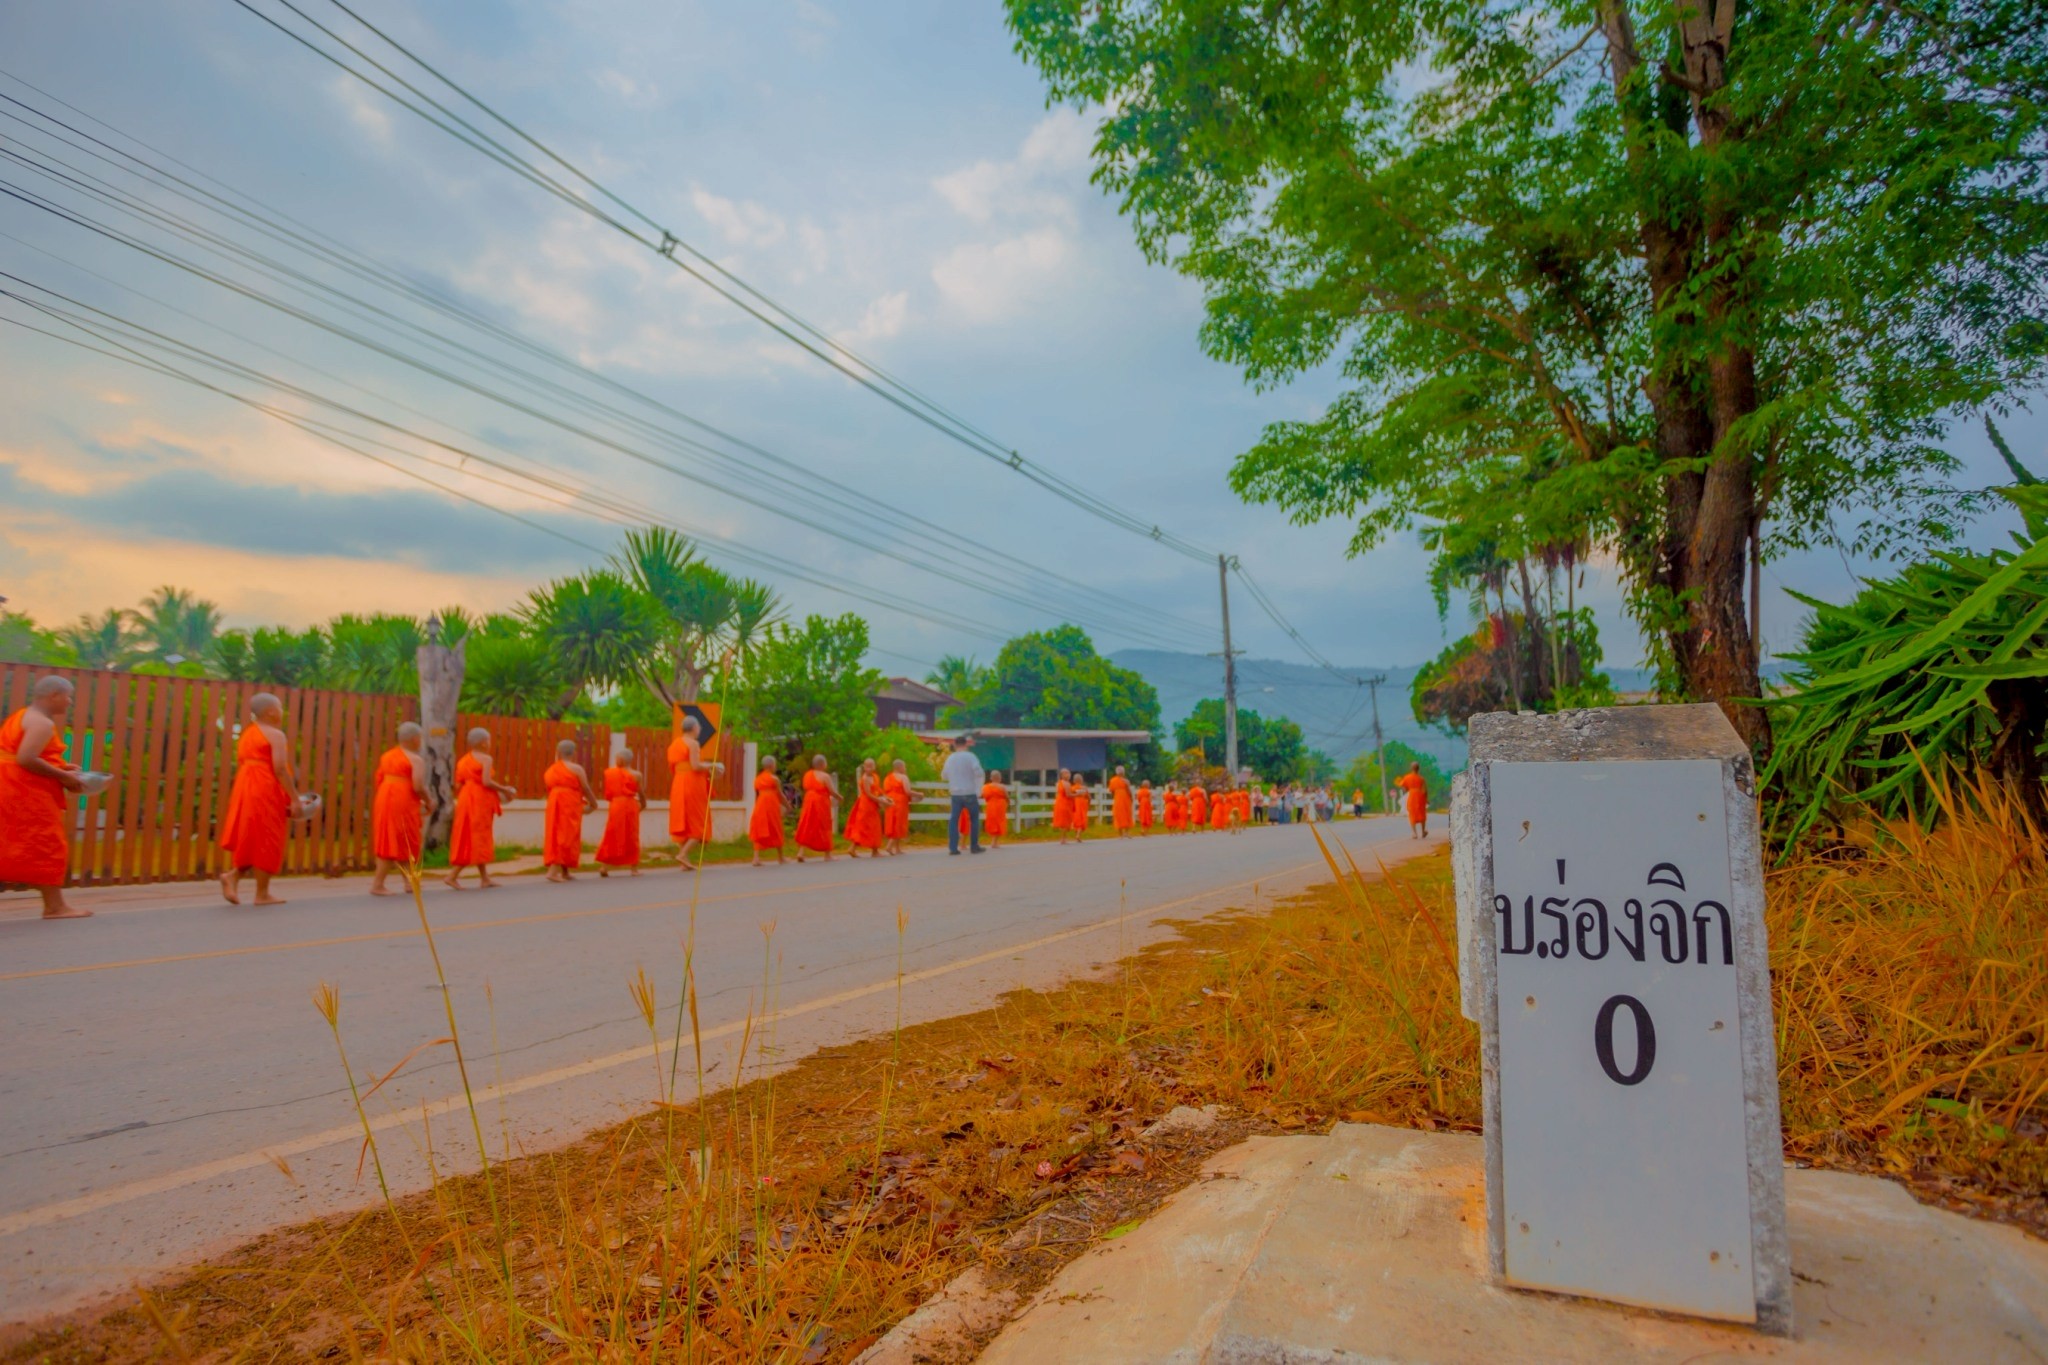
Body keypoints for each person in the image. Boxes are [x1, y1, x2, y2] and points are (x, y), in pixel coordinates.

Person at [0, 676, 90, 919]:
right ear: (53, 696)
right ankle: (55, 907)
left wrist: (61, 766)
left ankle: (55, 905)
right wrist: (62, 775)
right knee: (46, 845)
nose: (69, 702)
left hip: (11, 787)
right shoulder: (41, 723)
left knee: (11, 842)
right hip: (25, 795)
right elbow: (26, 758)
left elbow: (22, 755)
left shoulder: (22, 715)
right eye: (68, 696)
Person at [219, 692, 310, 906]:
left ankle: (233, 877)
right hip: (265, 787)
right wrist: (295, 798)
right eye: (280, 708)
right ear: (270, 711)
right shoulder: (275, 734)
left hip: (246, 786)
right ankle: (261, 893)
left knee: (252, 835)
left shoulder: (248, 734)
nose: (282, 712)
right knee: (268, 837)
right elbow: (279, 768)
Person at [445, 727, 515, 890]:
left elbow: (457, 784)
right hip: (479, 799)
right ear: (484, 743)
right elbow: (486, 782)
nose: (490, 744)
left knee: (470, 834)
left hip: (465, 798)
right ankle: (452, 876)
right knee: (477, 836)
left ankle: (485, 878)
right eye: (489, 740)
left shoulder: (463, 760)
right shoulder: (485, 759)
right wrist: (504, 789)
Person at [369, 722, 427, 896]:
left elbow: (379, 778)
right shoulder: (415, 759)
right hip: (401, 802)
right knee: (400, 839)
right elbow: (418, 786)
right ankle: (378, 885)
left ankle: (409, 882)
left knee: (399, 839)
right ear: (415, 739)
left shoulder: (387, 756)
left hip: (385, 798)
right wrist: (429, 800)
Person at [667, 715, 720, 870]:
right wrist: (711, 765)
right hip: (692, 783)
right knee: (698, 822)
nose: (700, 730)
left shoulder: (674, 745)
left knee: (683, 819)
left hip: (678, 782)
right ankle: (683, 854)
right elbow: (695, 766)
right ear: (694, 728)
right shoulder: (693, 744)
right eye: (699, 727)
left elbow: (674, 767)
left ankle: (684, 861)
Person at [541, 740, 596, 881]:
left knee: (557, 833)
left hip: (554, 801)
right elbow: (586, 788)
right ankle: (553, 872)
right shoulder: (576, 769)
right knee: (566, 835)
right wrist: (594, 803)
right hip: (569, 802)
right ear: (574, 753)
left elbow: (548, 787)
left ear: (557, 753)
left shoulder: (551, 769)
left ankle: (565, 871)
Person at [595, 752, 646, 876]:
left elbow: (608, 792)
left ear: (622, 759)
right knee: (631, 835)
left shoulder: (611, 773)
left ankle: (604, 867)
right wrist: (643, 804)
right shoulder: (636, 774)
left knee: (612, 834)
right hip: (630, 805)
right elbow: (641, 793)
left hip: (616, 805)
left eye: (617, 758)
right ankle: (633, 869)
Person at [941, 734, 984, 855]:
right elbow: (978, 772)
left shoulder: (950, 758)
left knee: (954, 819)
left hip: (955, 793)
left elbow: (944, 775)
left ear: (955, 745)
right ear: (966, 744)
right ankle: (974, 846)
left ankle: (953, 848)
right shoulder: (971, 756)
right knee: (974, 819)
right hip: (969, 792)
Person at [794, 755, 837, 862]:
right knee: (824, 825)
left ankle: (801, 852)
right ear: (823, 765)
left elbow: (805, 787)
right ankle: (827, 854)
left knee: (807, 824)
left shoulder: (807, 775)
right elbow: (831, 791)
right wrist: (839, 797)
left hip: (809, 800)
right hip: (821, 801)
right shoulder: (825, 776)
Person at [749, 755, 786, 867]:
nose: (775, 766)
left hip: (760, 804)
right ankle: (780, 857)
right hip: (771, 805)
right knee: (776, 828)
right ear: (771, 765)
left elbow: (757, 794)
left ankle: (756, 858)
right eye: (774, 764)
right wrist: (788, 806)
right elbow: (780, 795)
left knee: (759, 829)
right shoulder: (774, 779)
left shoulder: (758, 779)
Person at [845, 758, 887, 856]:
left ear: (874, 767)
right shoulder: (865, 779)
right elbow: (869, 794)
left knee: (874, 826)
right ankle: (853, 848)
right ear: (864, 767)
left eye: (871, 766)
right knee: (863, 827)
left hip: (873, 804)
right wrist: (880, 800)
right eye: (867, 766)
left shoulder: (875, 777)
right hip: (866, 804)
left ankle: (874, 850)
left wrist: (885, 797)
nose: (869, 768)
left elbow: (877, 789)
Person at [883, 759, 913, 856]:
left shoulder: (888, 778)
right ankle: (889, 846)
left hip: (890, 801)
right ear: (900, 767)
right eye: (904, 766)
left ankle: (897, 849)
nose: (905, 769)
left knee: (893, 823)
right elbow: (908, 791)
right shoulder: (903, 777)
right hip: (900, 801)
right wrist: (919, 794)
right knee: (899, 824)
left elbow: (885, 791)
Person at [1396, 762, 1431, 839]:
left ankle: (1414, 833)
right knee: (1422, 813)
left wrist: (1409, 789)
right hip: (1420, 796)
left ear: (1411, 768)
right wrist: (1426, 799)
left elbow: (1403, 787)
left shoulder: (1407, 777)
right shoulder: (1421, 778)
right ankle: (1423, 832)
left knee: (1412, 813)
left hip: (1411, 796)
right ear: (1418, 769)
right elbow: (1425, 791)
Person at [981, 768, 1008, 849]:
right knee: (999, 822)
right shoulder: (1002, 786)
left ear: (991, 778)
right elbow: (1007, 796)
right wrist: (1008, 801)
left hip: (990, 806)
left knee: (992, 822)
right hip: (1000, 806)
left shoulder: (986, 787)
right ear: (999, 778)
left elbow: (983, 796)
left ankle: (993, 841)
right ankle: (994, 842)